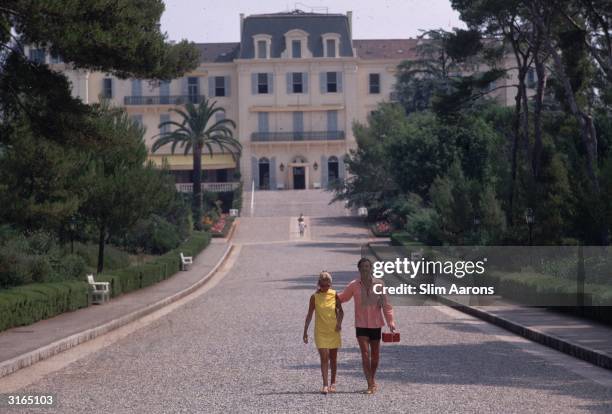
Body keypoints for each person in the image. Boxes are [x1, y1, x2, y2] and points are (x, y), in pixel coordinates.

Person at [338, 257, 396, 394]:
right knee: (365, 353)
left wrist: (391, 322)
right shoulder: (354, 285)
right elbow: (343, 297)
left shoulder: (379, 284)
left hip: (376, 324)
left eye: (367, 266)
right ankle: (370, 384)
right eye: (363, 266)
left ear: (371, 269)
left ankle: (372, 379)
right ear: (359, 269)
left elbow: (387, 305)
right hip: (361, 324)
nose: (365, 269)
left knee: (375, 356)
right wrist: (327, 294)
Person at [303, 271, 343, 394]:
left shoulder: (334, 294)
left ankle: (333, 383)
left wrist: (339, 324)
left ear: (330, 284)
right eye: (323, 285)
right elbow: (309, 314)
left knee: (333, 358)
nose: (325, 288)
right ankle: (325, 384)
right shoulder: (314, 297)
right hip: (320, 331)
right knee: (324, 357)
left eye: (328, 285)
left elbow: (341, 312)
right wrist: (305, 331)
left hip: (333, 330)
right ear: (319, 284)